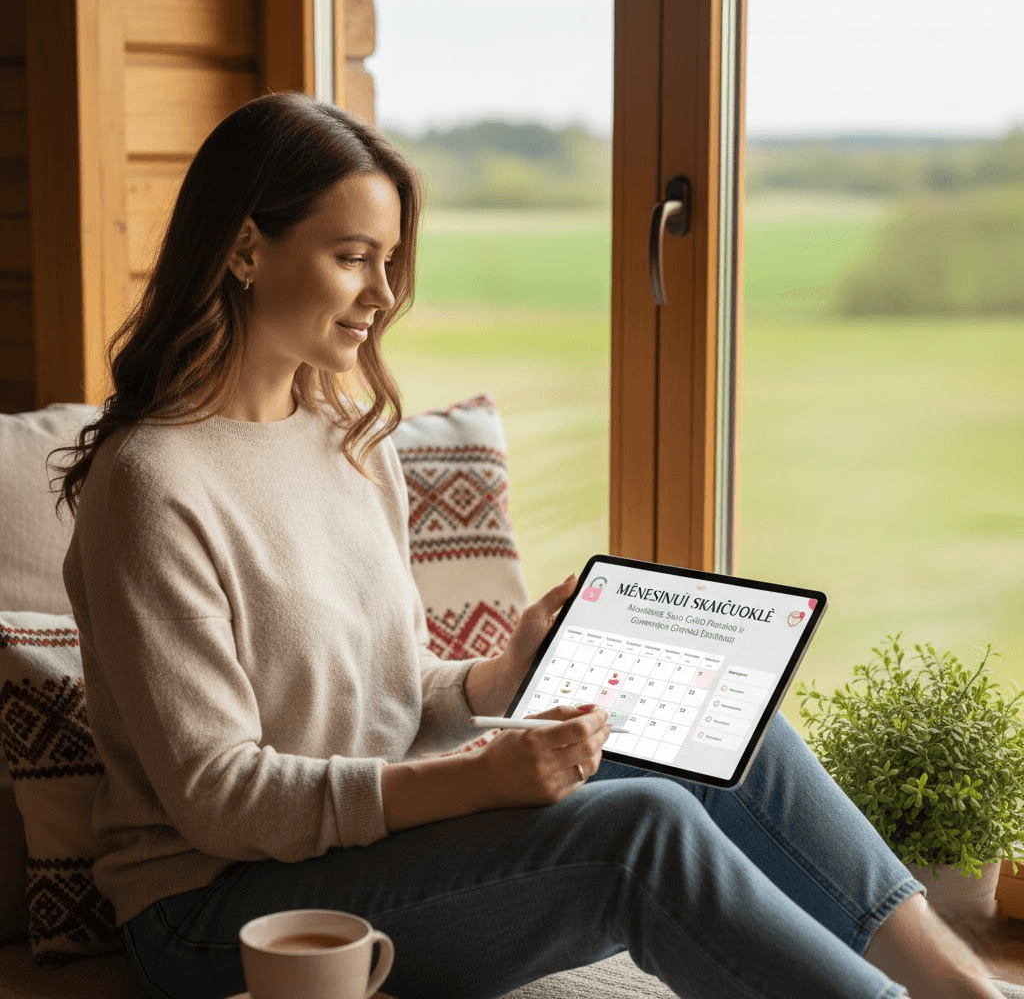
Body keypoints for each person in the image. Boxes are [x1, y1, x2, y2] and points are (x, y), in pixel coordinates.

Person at [51, 91, 1006, 999]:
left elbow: (376, 689)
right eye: (354, 257)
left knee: (712, 731)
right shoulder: (154, 483)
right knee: (642, 829)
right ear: (246, 249)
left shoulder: (343, 436)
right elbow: (223, 797)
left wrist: (491, 684)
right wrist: (473, 779)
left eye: (391, 260)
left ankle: (959, 985)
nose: (385, 294)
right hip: (220, 913)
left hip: (360, 850)